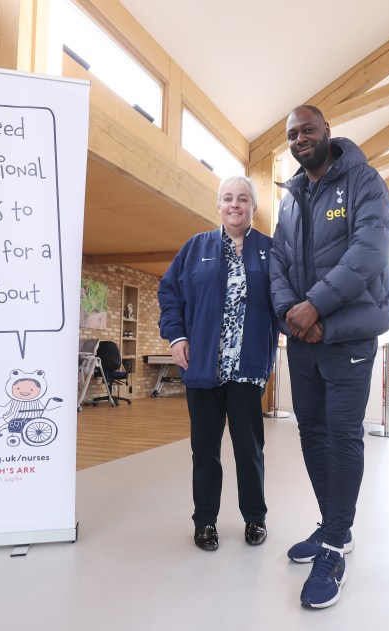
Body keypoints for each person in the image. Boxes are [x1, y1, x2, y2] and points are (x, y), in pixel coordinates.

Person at [269, 105, 389, 608]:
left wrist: (315, 306)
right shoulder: (291, 199)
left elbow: (369, 249)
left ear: (327, 133)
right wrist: (291, 313)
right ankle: (333, 527)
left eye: (308, 130)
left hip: (348, 337)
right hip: (302, 339)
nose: (300, 138)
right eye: (292, 134)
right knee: (311, 432)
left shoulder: (363, 181)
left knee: (342, 437)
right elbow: (277, 261)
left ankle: (336, 543)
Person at [158, 175, 279, 552]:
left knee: (249, 449)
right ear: (218, 205)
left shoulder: (270, 252)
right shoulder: (196, 248)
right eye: (228, 198)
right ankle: (205, 522)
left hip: (247, 368)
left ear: (254, 208)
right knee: (205, 451)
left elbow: (286, 300)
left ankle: (255, 519)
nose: (235, 205)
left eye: (243, 199)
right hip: (203, 367)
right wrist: (176, 336)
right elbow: (169, 293)